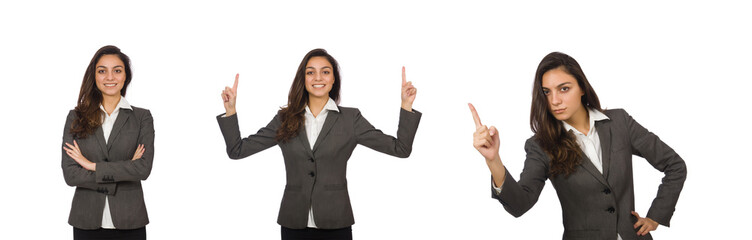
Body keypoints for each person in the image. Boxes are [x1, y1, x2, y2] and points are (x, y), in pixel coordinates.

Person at [469, 52, 686, 240]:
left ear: (582, 87)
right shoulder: (541, 145)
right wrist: (493, 160)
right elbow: (520, 205)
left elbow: (674, 165)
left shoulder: (619, 123)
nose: (554, 101)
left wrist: (656, 216)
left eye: (563, 89)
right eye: (547, 92)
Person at [216, 48, 421, 240]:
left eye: (325, 72)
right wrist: (231, 110)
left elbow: (400, 149)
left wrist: (406, 106)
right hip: (293, 223)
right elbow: (237, 150)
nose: (318, 78)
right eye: (310, 72)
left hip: (336, 223)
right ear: (303, 79)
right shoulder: (284, 119)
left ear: (333, 79)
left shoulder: (351, 119)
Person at [62, 45, 154, 240]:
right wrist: (125, 169)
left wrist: (91, 165)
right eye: (102, 71)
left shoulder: (142, 118)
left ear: (125, 76)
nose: (110, 77)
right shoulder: (75, 117)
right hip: (86, 220)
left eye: (117, 70)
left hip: (130, 221)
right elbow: (71, 175)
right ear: (94, 76)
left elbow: (143, 169)